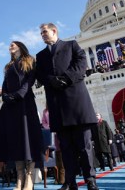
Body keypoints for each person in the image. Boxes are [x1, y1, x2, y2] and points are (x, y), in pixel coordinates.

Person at [35, 23, 99, 190]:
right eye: (41, 33)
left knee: (84, 145)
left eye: (45, 32)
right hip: (57, 105)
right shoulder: (40, 55)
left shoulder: (71, 45)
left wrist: (66, 78)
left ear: (54, 31)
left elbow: (81, 64)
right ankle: (69, 181)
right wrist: (51, 80)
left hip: (76, 103)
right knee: (65, 147)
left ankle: (90, 179)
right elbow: (39, 74)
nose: (42, 35)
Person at [0, 41, 43, 190]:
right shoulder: (8, 66)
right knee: (16, 142)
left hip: (25, 104)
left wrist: (18, 95)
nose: (10, 45)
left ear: (20, 46)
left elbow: (29, 81)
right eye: (9, 44)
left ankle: (29, 178)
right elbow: (5, 84)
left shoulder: (30, 60)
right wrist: (5, 97)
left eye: (13, 44)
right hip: (11, 107)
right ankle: (19, 177)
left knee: (28, 140)